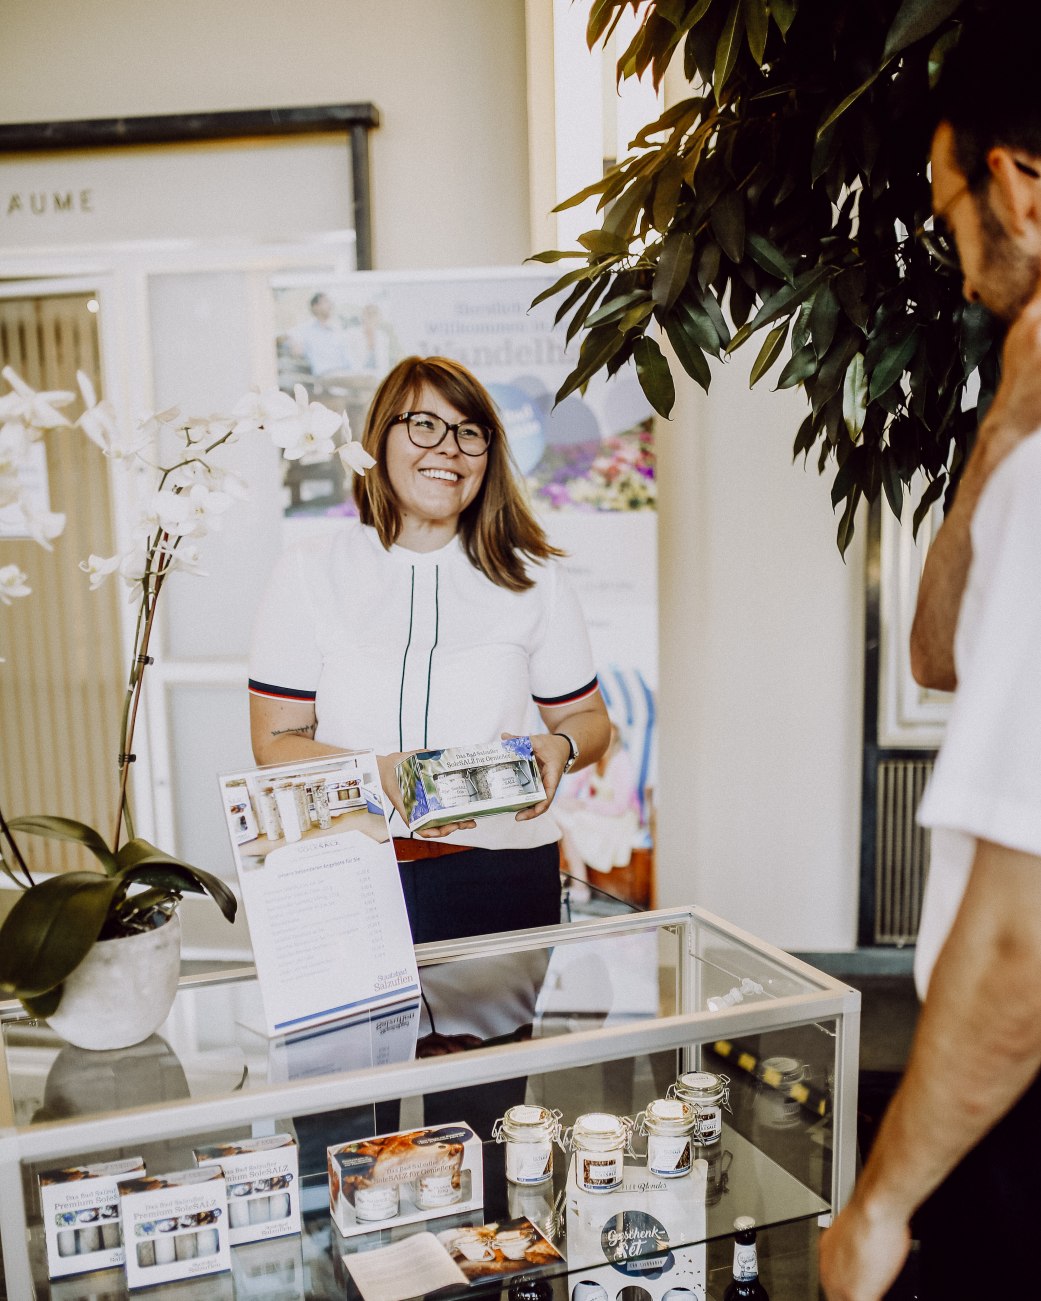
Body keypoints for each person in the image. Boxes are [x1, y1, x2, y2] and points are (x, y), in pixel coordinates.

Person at [820, 22, 1041, 1301]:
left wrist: (882, 1201)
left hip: (1009, 1091)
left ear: (1013, 183)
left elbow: (1021, 928)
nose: (960, 273)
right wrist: (1000, 431)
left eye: (950, 211)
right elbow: (939, 648)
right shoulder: (1027, 438)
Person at [249, 355, 610, 943]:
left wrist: (562, 746)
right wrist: (378, 772)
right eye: (424, 425)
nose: (448, 449)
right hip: (348, 867)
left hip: (503, 873)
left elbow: (588, 720)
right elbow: (274, 743)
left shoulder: (534, 577)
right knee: (350, 1039)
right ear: (380, 438)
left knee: (503, 1038)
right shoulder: (309, 571)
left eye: (469, 433)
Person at [287, 292, 354, 376]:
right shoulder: (306, 330)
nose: (330, 305)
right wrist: (294, 344)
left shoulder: (336, 330)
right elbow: (291, 335)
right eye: (326, 301)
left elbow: (347, 358)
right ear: (315, 307)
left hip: (345, 372)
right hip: (326, 373)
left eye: (330, 302)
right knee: (370, 380)